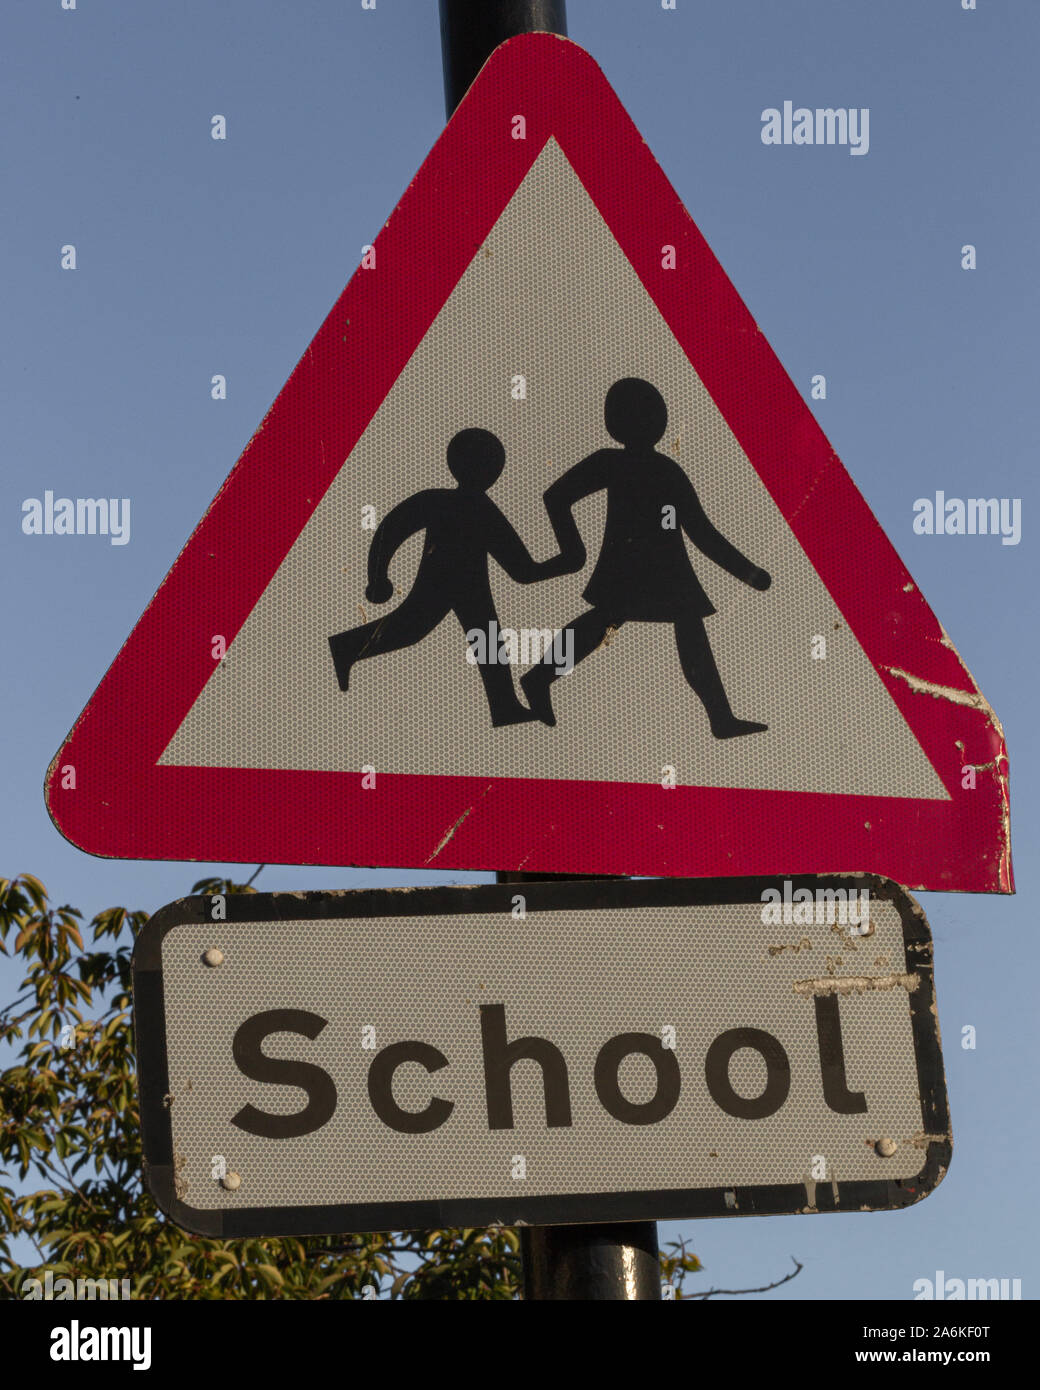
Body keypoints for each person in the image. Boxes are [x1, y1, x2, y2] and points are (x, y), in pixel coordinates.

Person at [521, 378, 772, 736]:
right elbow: (556, 496)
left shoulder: (660, 469)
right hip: (638, 568)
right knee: (609, 623)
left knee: (667, 628)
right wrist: (573, 549)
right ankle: (538, 678)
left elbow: (701, 531)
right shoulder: (620, 464)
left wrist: (748, 573)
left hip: (662, 569)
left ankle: (720, 717)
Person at [328, 427, 570, 727]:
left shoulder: (447, 501)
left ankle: (505, 706)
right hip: (446, 584)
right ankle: (345, 647)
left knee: (482, 640)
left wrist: (378, 576)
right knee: (419, 630)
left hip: (467, 586)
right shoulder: (473, 506)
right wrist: (565, 563)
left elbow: (391, 529)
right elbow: (393, 529)